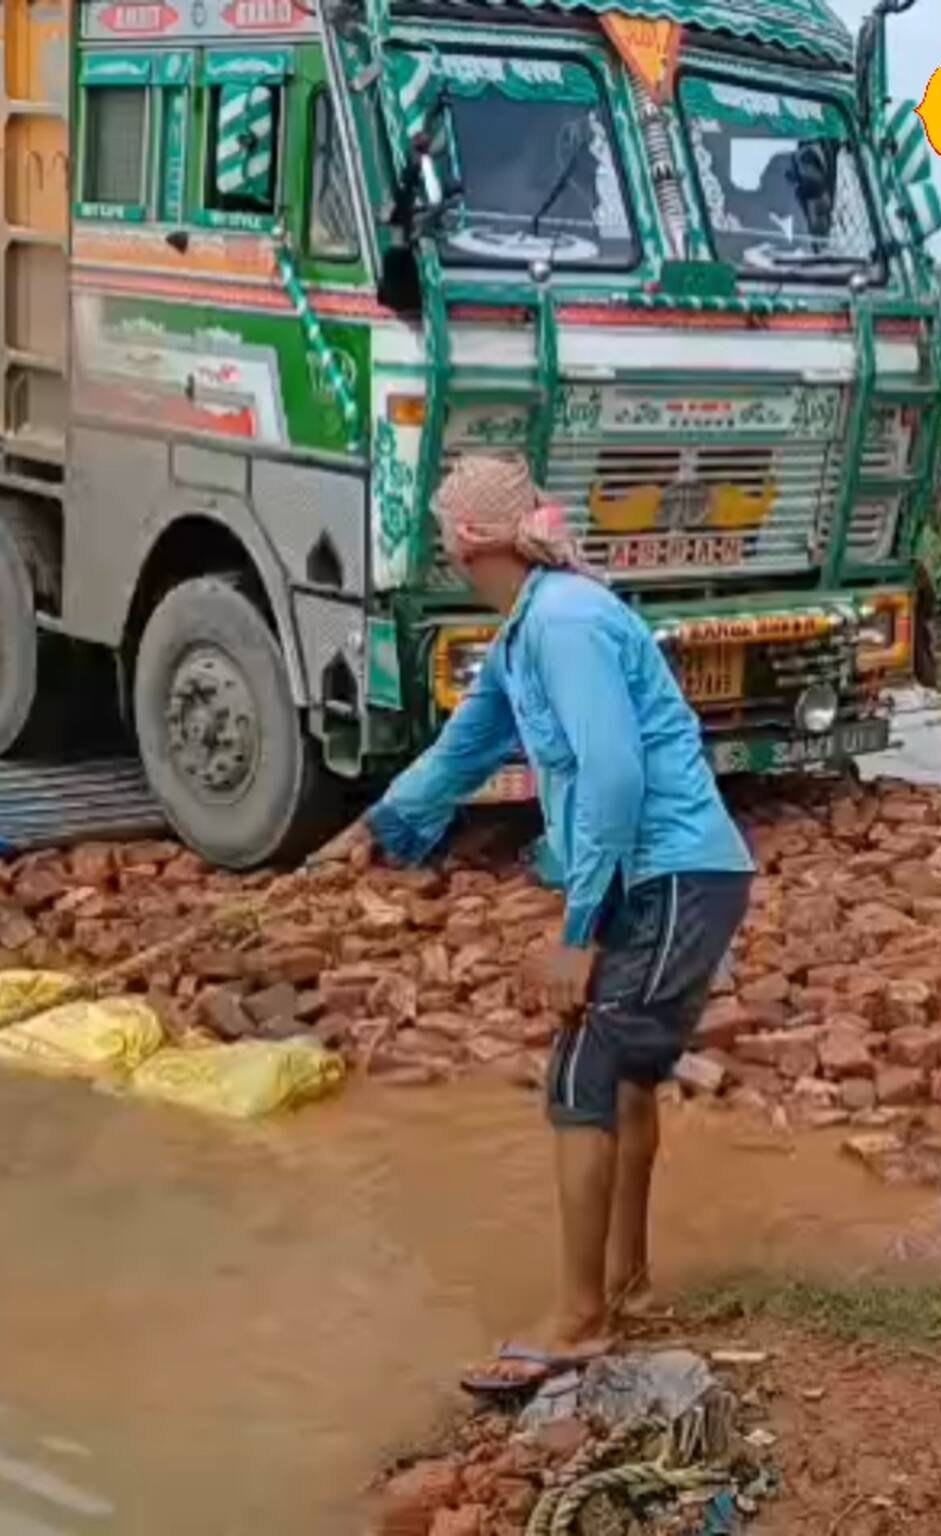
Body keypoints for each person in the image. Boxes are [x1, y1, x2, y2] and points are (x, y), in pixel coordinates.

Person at [318, 453, 754, 1394]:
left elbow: (614, 777)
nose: (441, 547)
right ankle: (625, 1286)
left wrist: (577, 931)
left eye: (445, 531)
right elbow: (462, 750)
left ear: (469, 540)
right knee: (624, 1077)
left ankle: (581, 1321)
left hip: (671, 874)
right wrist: (376, 829)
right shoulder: (526, 633)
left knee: (584, 1069)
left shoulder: (564, 623)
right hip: (668, 875)